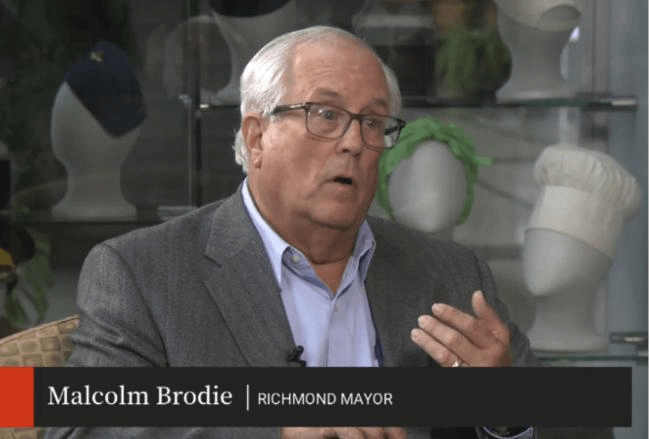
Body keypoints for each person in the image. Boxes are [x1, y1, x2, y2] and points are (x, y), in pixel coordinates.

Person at [45, 26, 538, 439]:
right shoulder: (143, 273)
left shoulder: (451, 274)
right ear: (257, 136)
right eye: (326, 115)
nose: (354, 142)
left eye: (372, 122)